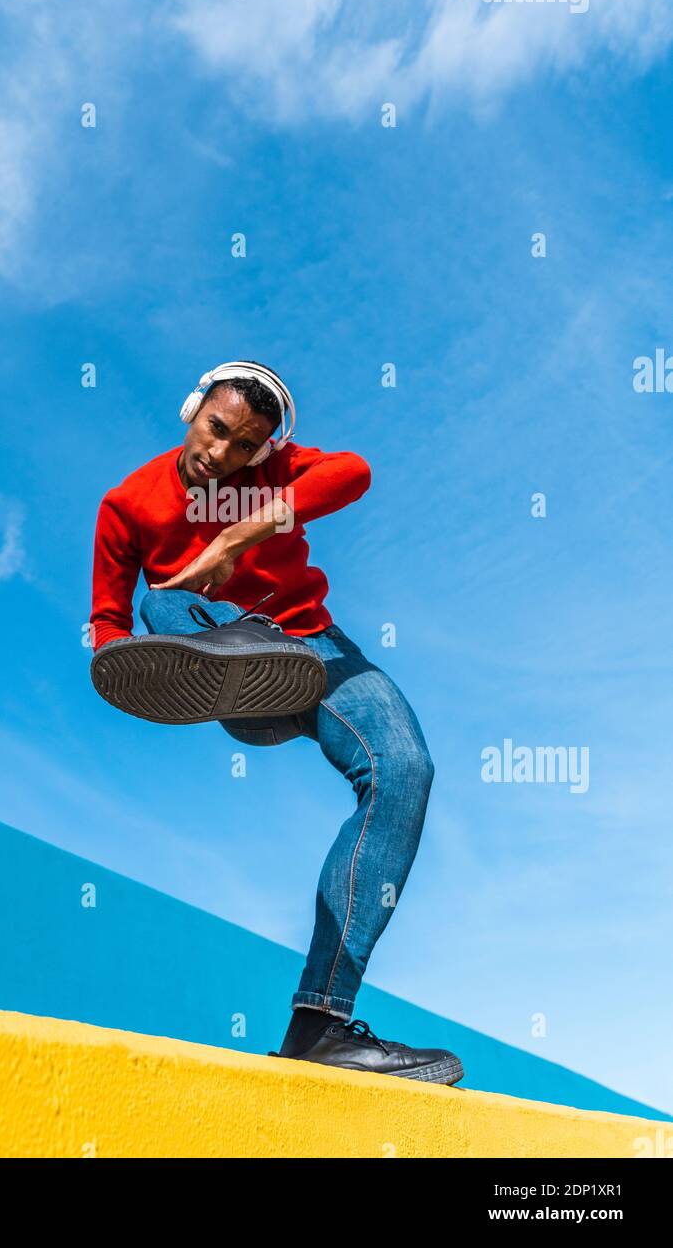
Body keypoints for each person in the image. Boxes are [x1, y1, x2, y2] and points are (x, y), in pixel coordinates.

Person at [89, 360, 463, 1083]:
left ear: (264, 448)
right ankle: (240, 664)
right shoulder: (129, 503)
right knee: (161, 604)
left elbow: (352, 472)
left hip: (314, 650)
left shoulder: (271, 468)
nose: (221, 454)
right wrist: (122, 668)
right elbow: (107, 621)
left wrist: (232, 541)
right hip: (218, 650)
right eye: (216, 430)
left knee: (405, 772)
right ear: (193, 409)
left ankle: (320, 1026)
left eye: (244, 446)